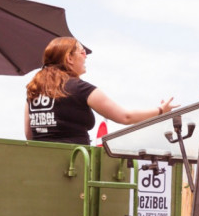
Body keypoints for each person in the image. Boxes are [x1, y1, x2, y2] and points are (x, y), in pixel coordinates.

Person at [24, 37, 175, 144]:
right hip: (72, 167)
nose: (86, 57)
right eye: (82, 52)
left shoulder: (34, 89)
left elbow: (29, 135)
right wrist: (161, 110)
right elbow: (125, 117)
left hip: (40, 164)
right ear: (69, 58)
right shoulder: (80, 88)